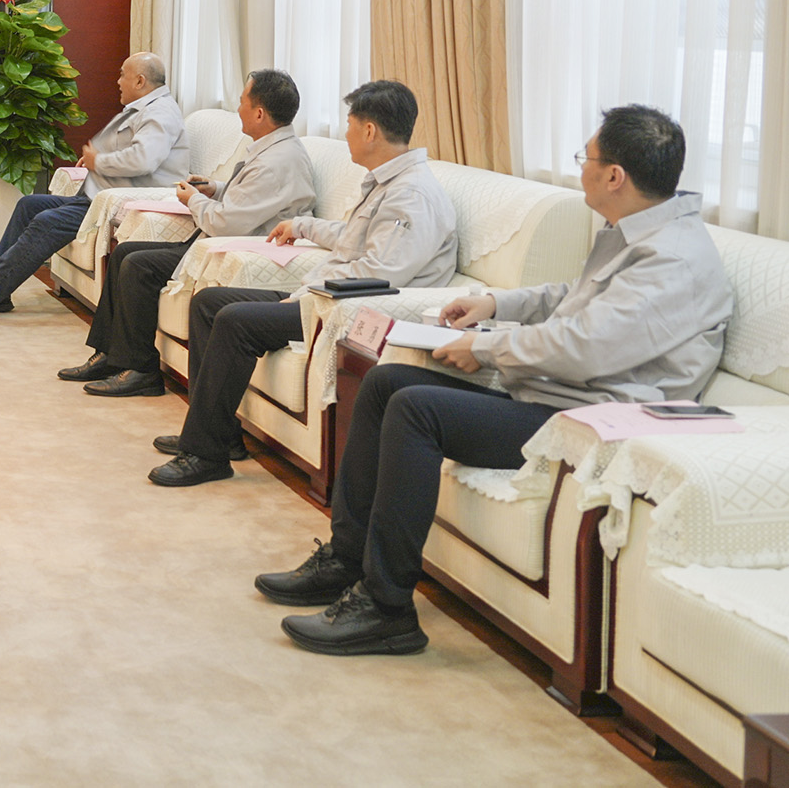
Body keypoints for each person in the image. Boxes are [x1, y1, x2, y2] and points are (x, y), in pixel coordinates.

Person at [260, 105, 731, 656]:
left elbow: (584, 348)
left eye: (586, 158)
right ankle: (347, 560)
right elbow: (571, 296)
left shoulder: (671, 259)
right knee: (388, 384)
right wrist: (495, 303)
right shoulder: (637, 232)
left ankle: (387, 610)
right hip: (555, 396)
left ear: (614, 176)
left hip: (587, 421)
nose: (580, 168)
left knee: (416, 410)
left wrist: (485, 347)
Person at [148, 79, 456, 488]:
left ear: (369, 131)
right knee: (210, 302)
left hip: (346, 311)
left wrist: (307, 293)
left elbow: (380, 274)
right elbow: (356, 235)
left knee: (235, 320)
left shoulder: (412, 194)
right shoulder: (389, 182)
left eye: (350, 124)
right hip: (320, 297)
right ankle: (219, 433)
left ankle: (206, 455)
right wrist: (302, 225)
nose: (345, 132)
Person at [68, 68, 318, 400]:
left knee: (139, 265)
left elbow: (228, 223)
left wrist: (194, 200)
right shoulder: (273, 148)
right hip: (224, 237)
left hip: (239, 244)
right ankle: (110, 354)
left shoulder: (278, 160)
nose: (238, 108)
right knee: (127, 253)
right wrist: (216, 188)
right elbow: (251, 198)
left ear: (259, 113)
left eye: (242, 101)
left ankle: (141, 370)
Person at [0, 52, 189, 317]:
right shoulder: (145, 108)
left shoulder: (160, 113)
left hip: (118, 204)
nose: (118, 81)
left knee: (47, 221)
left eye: (123, 75)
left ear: (140, 81)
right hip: (96, 197)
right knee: (29, 205)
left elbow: (144, 159)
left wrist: (99, 161)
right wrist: (96, 160)